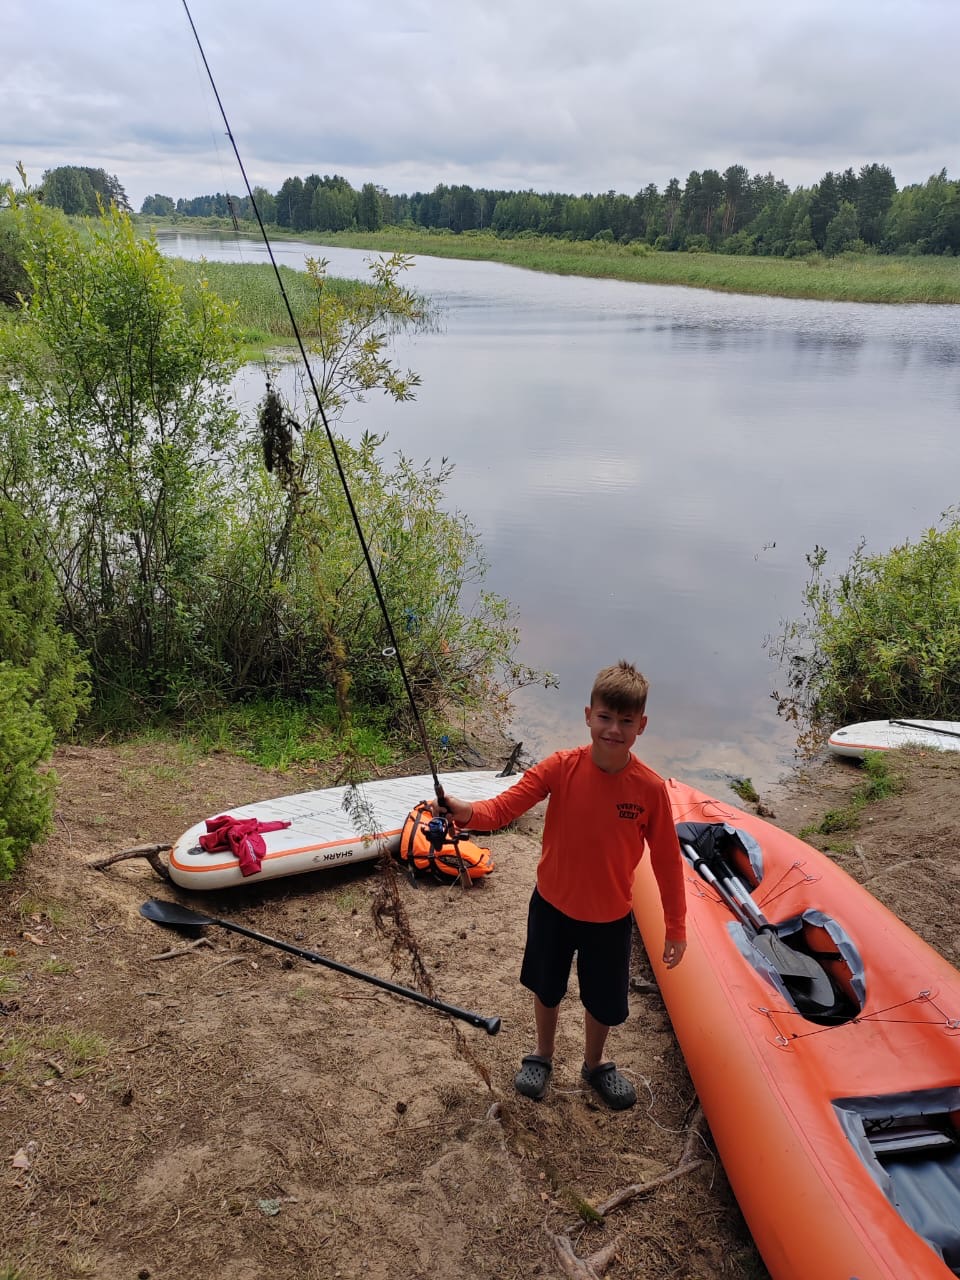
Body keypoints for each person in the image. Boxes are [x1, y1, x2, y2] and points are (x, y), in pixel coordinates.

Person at [435, 660, 687, 1110]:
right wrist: (465, 811)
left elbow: (668, 862)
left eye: (626, 721)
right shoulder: (560, 767)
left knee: (603, 1001)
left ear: (641, 725)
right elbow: (504, 807)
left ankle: (594, 1063)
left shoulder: (649, 790)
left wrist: (677, 926)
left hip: (609, 919)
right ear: (588, 715)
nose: (614, 729)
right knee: (547, 986)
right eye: (606, 717)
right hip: (551, 907)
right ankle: (543, 1054)